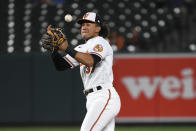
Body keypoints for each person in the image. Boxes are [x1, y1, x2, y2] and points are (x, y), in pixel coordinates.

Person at [49, 12, 121, 131]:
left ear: (98, 28)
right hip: (92, 98)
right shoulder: (82, 48)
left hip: (104, 96)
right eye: (82, 24)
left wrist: (67, 48)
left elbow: (90, 61)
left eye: (88, 24)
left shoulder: (101, 42)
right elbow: (61, 65)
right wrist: (53, 49)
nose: (84, 27)